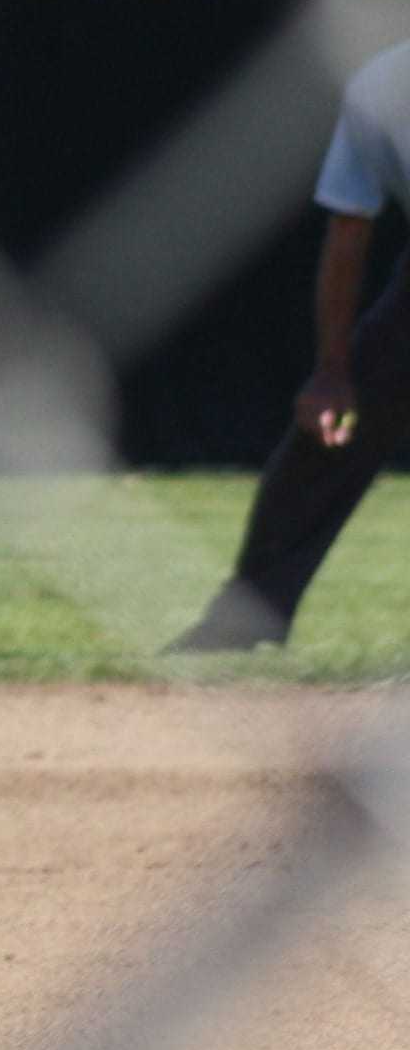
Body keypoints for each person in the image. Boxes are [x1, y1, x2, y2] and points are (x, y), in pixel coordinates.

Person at [169, 39, 410, 651]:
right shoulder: (383, 89)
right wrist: (332, 373)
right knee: (325, 441)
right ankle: (248, 616)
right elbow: (349, 232)